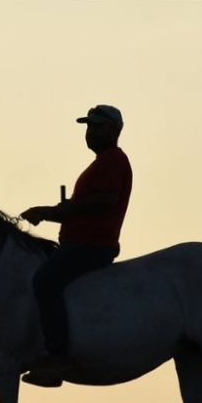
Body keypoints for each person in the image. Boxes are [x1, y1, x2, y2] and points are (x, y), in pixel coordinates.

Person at [20, 104, 133, 388]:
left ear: (114, 131)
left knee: (45, 280)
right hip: (82, 242)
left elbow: (105, 200)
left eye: (97, 127)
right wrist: (58, 212)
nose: (90, 132)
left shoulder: (113, 161)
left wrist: (54, 211)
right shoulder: (102, 163)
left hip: (91, 245)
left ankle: (57, 356)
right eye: (88, 126)